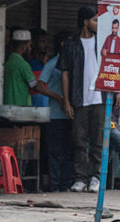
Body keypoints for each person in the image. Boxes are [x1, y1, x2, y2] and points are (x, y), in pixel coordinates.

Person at [57, 6, 105, 193]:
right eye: (95, 20)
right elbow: (65, 74)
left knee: (98, 141)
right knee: (79, 141)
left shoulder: (103, 42)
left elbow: (114, 69)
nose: (97, 24)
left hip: (99, 98)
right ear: (85, 22)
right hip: (79, 99)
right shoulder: (71, 44)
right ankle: (80, 178)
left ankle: (95, 177)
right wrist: (66, 101)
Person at [34, 31, 73, 192]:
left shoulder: (75, 63)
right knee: (56, 152)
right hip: (56, 116)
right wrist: (58, 97)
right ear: (63, 45)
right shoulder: (52, 64)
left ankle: (67, 185)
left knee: (70, 152)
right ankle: (55, 186)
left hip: (72, 116)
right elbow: (39, 85)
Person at [3, 29, 37, 106]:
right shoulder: (23, 64)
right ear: (23, 47)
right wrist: (56, 96)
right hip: (20, 109)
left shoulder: (8, 62)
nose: (30, 49)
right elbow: (35, 85)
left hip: (7, 107)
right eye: (29, 46)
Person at [28, 28, 49, 107]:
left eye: (46, 41)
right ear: (33, 43)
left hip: (47, 106)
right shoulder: (27, 63)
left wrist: (45, 64)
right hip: (32, 105)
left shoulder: (49, 62)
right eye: (42, 41)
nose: (45, 44)